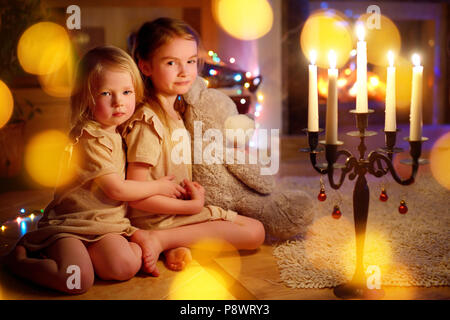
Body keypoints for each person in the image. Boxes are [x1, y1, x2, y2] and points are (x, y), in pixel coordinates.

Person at [4, 46, 185, 294]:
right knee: (77, 280)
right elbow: (116, 188)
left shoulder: (119, 131)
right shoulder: (88, 138)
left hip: (106, 225)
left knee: (124, 267)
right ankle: (21, 261)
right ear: (87, 97)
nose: (118, 101)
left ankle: (117, 247)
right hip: (72, 224)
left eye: (126, 92)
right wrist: (160, 186)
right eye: (105, 93)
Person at [124, 18, 265, 276]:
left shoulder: (178, 111)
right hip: (156, 216)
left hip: (176, 212)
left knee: (254, 228)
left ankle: (178, 240)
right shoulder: (148, 122)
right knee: (255, 232)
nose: (184, 71)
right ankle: (160, 240)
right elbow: (135, 196)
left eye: (190, 61)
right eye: (171, 63)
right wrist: (190, 207)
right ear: (145, 66)